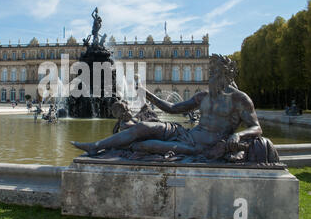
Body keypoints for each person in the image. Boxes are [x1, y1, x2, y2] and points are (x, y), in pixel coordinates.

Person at [71, 54, 263, 158]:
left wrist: (238, 135)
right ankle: (95, 146)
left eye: (212, 73)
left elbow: (256, 128)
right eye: (210, 72)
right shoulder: (203, 96)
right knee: (143, 127)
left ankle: (118, 146)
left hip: (200, 146)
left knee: (145, 145)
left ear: (224, 75)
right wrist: (146, 93)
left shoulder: (239, 99)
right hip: (185, 134)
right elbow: (171, 108)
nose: (208, 76)